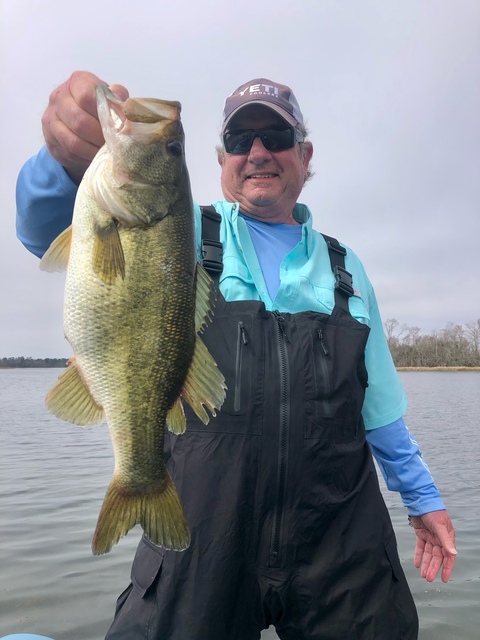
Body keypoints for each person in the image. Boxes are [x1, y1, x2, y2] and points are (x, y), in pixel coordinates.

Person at [16, 72, 457, 640]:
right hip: (203, 537)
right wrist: (61, 158)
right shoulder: (177, 232)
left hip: (340, 541)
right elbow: (39, 230)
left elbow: (380, 409)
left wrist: (423, 499)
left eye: (274, 136)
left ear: (304, 155)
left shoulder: (346, 269)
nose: (258, 152)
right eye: (241, 138)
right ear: (222, 159)